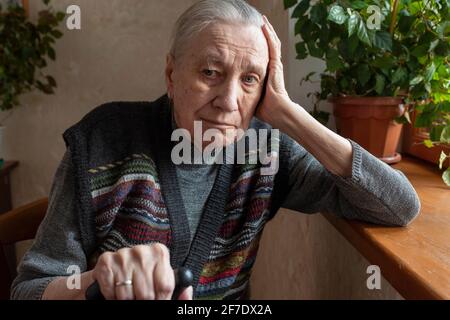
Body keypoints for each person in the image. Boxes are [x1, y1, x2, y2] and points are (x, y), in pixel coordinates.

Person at [11, 0, 420, 300]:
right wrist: (93, 281)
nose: (228, 100)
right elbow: (29, 290)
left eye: (249, 80)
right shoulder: (101, 140)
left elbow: (398, 206)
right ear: (172, 74)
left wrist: (289, 114)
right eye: (210, 72)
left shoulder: (266, 150)